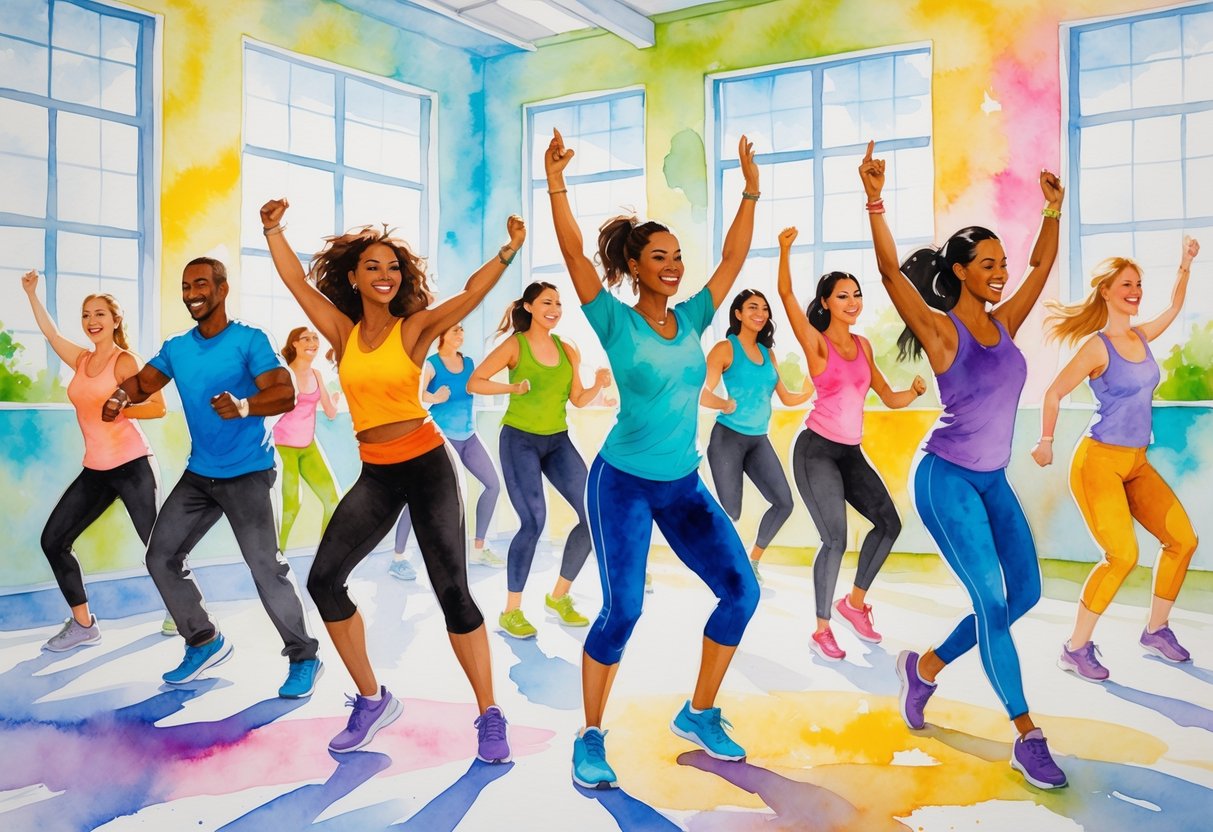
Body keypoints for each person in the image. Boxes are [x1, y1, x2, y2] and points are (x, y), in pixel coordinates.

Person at [261, 197, 524, 762]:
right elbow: (294, 283)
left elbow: (471, 295)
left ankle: (489, 714)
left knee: (453, 592)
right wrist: (273, 229)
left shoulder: (416, 328)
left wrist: (506, 253)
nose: (385, 276)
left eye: (394, 267)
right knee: (325, 582)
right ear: (353, 277)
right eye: (373, 267)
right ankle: (372, 699)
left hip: (427, 466)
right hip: (377, 473)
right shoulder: (341, 329)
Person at [545, 128, 762, 789]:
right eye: (657, 257)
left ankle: (698, 712)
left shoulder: (694, 317)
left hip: (683, 484)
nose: (672, 265)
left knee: (739, 593)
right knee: (623, 611)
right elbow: (575, 255)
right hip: (624, 485)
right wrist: (556, 180)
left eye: (675, 256)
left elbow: (731, 255)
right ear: (634, 267)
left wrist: (749, 186)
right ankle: (589, 736)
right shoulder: (614, 321)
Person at [861, 140, 1070, 789]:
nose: (1000, 272)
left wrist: (1052, 211)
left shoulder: (1004, 321)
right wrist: (873, 198)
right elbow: (894, 280)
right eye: (986, 265)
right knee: (987, 599)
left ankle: (922, 669)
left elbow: (1039, 266)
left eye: (999, 263)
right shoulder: (940, 329)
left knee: (1023, 594)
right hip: (944, 478)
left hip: (991, 480)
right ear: (958, 271)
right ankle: (1025, 735)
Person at [104, 257, 321, 697]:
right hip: (200, 474)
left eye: (200, 284)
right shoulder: (178, 347)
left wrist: (244, 405)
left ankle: (305, 656)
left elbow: (285, 392)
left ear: (222, 289)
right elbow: (146, 382)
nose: (191, 293)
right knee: (160, 556)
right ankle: (204, 640)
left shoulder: (250, 339)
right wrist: (122, 395)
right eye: (186, 286)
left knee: (266, 567)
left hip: (249, 473)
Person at [1034, 237, 1201, 679]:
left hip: (1135, 462)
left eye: (1139, 284)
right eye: (1126, 284)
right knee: (1121, 555)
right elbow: (1054, 392)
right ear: (1105, 290)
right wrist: (1046, 439)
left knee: (1182, 540)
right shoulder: (1096, 346)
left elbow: (1172, 309)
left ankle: (1156, 629)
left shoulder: (1141, 336)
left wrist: (1184, 264)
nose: (1135, 291)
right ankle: (1075, 647)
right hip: (1098, 462)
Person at [774, 230, 926, 660]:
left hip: (850, 453)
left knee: (888, 523)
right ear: (826, 303)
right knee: (835, 540)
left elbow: (889, 397)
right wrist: (785, 251)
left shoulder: (862, 345)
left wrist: (912, 392)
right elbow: (785, 294)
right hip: (816, 450)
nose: (853, 301)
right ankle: (822, 629)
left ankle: (853, 604)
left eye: (856, 294)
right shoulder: (816, 343)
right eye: (843, 296)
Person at [21, 271, 168, 650]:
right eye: (86, 314)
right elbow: (52, 335)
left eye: (100, 313)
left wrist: (122, 408)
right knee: (53, 540)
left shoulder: (125, 361)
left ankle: (186, 613)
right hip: (96, 470)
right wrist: (32, 294)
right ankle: (84, 624)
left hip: (134, 464)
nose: (92, 321)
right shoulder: (82, 359)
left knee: (160, 549)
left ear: (115, 320)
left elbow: (157, 406)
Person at [469, 282, 611, 637]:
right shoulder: (515, 345)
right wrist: (513, 388)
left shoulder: (568, 349)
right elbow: (476, 382)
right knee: (533, 522)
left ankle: (559, 596)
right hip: (519, 440)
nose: (555, 308)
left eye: (559, 303)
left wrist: (598, 384)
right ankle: (511, 611)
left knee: (594, 515)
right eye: (547, 302)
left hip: (558, 440)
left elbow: (577, 399)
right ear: (529, 307)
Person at [701, 288, 811, 584]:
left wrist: (810, 387)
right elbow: (703, 394)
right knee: (731, 511)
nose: (760, 313)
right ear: (737, 314)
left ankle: (752, 561)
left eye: (764, 308)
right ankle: (718, 563)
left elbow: (786, 398)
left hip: (758, 439)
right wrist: (724, 403)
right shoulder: (725, 349)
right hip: (728, 438)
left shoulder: (768, 353)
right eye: (752, 307)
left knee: (783, 502)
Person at [391, 322, 503, 580]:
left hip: (469, 436)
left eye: (463, 329)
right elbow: (413, 396)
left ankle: (478, 548)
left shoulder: (471, 363)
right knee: (419, 496)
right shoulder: (431, 365)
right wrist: (433, 397)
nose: (460, 333)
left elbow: (480, 386)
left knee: (493, 485)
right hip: (441, 440)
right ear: (440, 336)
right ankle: (398, 558)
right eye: (455, 330)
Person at [275, 327, 341, 552]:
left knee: (333, 501)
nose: (313, 343)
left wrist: (334, 398)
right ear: (294, 344)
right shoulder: (284, 374)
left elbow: (331, 412)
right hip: (284, 448)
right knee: (291, 506)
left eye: (315, 339)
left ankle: (325, 555)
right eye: (306, 339)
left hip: (308, 446)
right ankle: (278, 557)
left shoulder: (317, 375)